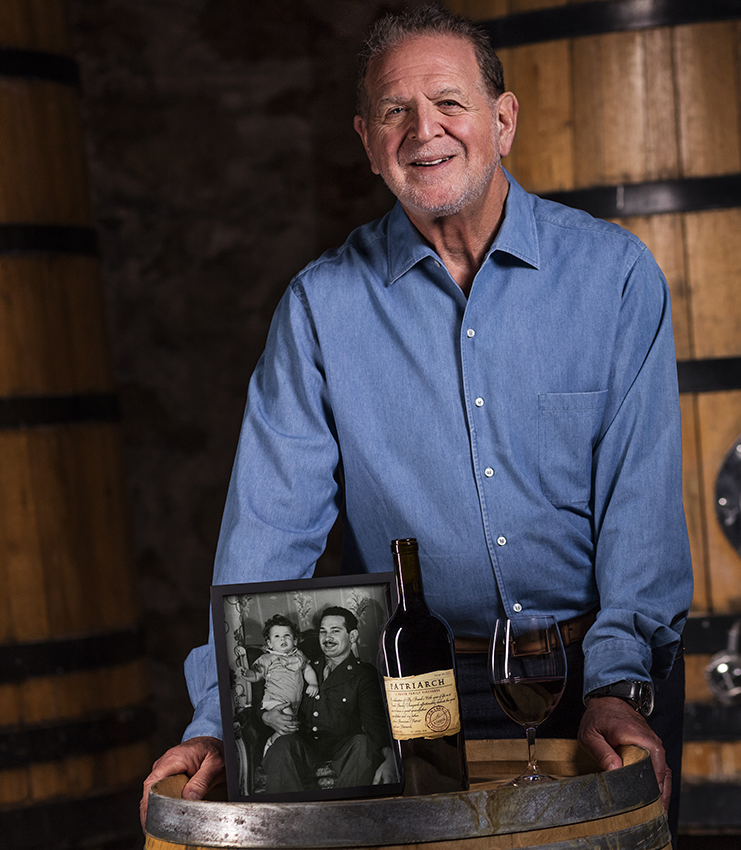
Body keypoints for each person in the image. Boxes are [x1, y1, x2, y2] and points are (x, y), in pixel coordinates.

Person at [138, 4, 691, 831]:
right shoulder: (320, 309)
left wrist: (618, 687)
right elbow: (267, 536)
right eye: (396, 111)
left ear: (502, 121)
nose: (423, 131)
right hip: (417, 685)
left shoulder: (614, 277)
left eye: (449, 103)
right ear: (367, 140)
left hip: (596, 676)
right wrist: (219, 718)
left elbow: (641, 512)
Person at [257, 608, 397, 792]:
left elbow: (375, 722)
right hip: (305, 747)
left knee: (363, 744)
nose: (327, 637)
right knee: (283, 745)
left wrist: (390, 757)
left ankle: (347, 815)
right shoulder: (303, 664)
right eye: (323, 631)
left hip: (344, 751)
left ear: (352, 635)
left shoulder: (364, 674)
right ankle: (288, 818)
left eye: (335, 631)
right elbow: (271, 694)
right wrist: (267, 716)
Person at [235, 614, 320, 746]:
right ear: (269, 643)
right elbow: (257, 674)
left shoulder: (299, 656)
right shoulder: (268, 658)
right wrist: (246, 673)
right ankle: (271, 744)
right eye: (277, 636)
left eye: (287, 635)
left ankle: (277, 744)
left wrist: (313, 683)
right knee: (289, 724)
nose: (283, 639)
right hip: (275, 700)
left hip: (293, 703)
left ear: (295, 640)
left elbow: (307, 669)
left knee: (292, 727)